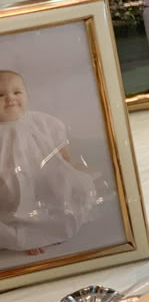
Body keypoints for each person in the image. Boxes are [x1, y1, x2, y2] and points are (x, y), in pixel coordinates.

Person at [0, 71, 96, 255]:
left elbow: (60, 148)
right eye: (0, 95)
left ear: (27, 95)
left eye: (17, 92)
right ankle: (24, 237)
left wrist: (71, 163)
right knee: (14, 202)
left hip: (44, 178)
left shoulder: (40, 122)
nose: (10, 99)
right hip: (7, 187)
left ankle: (48, 230)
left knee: (57, 191)